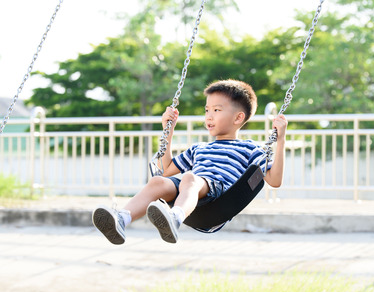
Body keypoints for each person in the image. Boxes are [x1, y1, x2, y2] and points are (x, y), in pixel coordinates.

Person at [92, 79, 287, 244]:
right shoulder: (199, 148)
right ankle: (122, 220)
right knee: (157, 182)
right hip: (189, 189)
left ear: (238, 117)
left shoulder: (250, 149)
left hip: (217, 196)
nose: (209, 116)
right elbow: (166, 170)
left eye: (217, 110)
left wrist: (280, 141)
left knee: (190, 178)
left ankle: (175, 218)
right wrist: (167, 131)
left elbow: (274, 180)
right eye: (207, 110)